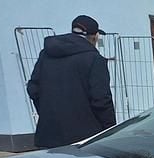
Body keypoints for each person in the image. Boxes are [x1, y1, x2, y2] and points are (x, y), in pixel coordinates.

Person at [27, 15, 116, 148]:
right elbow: (101, 99)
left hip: (49, 134)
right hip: (85, 138)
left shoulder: (46, 54)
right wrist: (110, 131)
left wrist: (47, 112)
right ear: (95, 37)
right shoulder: (94, 60)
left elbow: (33, 88)